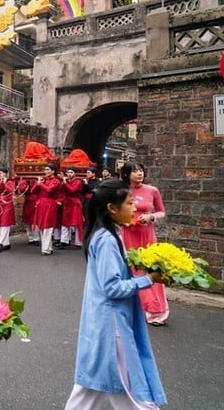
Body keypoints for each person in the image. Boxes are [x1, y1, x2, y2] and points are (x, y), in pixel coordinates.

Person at [64, 179, 167, 409]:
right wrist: (148, 279)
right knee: (131, 394)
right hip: (112, 326)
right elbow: (112, 288)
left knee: (90, 389)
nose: (134, 208)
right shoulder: (108, 240)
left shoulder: (106, 235)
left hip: (102, 323)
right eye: (129, 203)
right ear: (112, 208)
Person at [120, 161, 169, 326]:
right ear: (127, 174)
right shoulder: (122, 191)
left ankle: (156, 311)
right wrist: (124, 222)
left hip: (147, 235)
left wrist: (151, 217)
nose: (139, 174)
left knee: (151, 269)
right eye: (135, 171)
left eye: (141, 170)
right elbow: (113, 211)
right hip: (128, 234)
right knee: (131, 269)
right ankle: (133, 309)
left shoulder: (152, 190)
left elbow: (162, 211)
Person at [32, 163, 62, 256]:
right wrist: (37, 183)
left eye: (48, 169)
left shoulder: (56, 181)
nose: (45, 171)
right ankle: (48, 247)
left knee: (48, 227)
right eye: (45, 169)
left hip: (50, 205)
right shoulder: (43, 180)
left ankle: (45, 249)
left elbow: (49, 190)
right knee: (41, 226)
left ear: (53, 171)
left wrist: (40, 183)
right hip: (41, 204)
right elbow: (33, 191)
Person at [0, 167, 16, 252]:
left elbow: (10, 190)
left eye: (0, 173)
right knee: (0, 224)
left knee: (5, 223)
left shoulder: (10, 182)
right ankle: (6, 243)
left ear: (5, 174)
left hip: (7, 204)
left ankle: (1, 242)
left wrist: (4, 183)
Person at [60, 168, 84, 248]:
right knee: (65, 222)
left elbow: (72, 190)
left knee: (77, 223)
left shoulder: (78, 182)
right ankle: (64, 241)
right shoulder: (66, 181)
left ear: (75, 174)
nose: (69, 174)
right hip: (67, 202)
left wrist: (65, 183)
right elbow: (61, 191)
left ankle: (78, 242)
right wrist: (63, 183)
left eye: (71, 172)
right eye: (68, 172)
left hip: (74, 203)